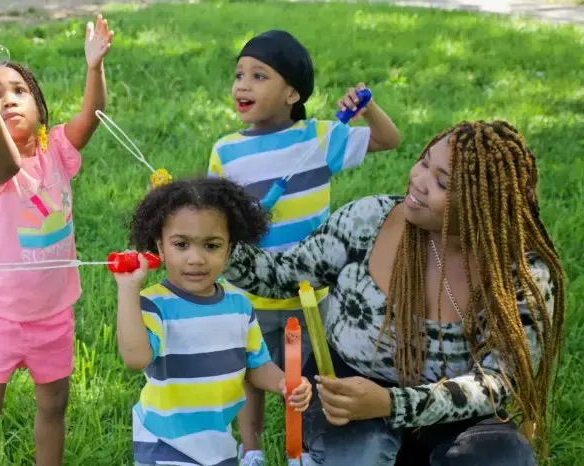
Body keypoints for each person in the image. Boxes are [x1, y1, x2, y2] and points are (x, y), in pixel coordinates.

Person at [221, 120, 565, 466]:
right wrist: (211, 241)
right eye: (425, 161)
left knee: (501, 460)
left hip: (456, 410)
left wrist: (391, 403)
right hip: (347, 385)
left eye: (441, 181)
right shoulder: (368, 220)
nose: (418, 178)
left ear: (484, 206)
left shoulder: (522, 277)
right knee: (361, 456)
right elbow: (282, 276)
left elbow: (496, 382)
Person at [206, 29, 401, 465]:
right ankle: (252, 450)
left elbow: (390, 141)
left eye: (259, 76)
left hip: (312, 294)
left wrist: (368, 110)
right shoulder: (226, 152)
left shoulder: (320, 138)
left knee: (313, 375)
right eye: (239, 74)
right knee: (252, 374)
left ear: (292, 92)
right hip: (249, 294)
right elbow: (216, 217)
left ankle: (305, 449)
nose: (242, 84)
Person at [0, 15, 114, 466]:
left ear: (38, 104)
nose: (9, 99)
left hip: (53, 313)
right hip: (1, 313)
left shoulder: (57, 148)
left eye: (19, 91)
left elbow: (92, 118)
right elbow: (9, 165)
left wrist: (94, 66)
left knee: (54, 404)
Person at [112, 177, 313, 466]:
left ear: (229, 249)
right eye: (181, 245)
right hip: (165, 443)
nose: (196, 258)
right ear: (160, 248)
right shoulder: (155, 305)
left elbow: (255, 366)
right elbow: (135, 357)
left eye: (211, 246)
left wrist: (284, 383)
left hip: (219, 443)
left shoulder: (239, 306)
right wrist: (128, 290)